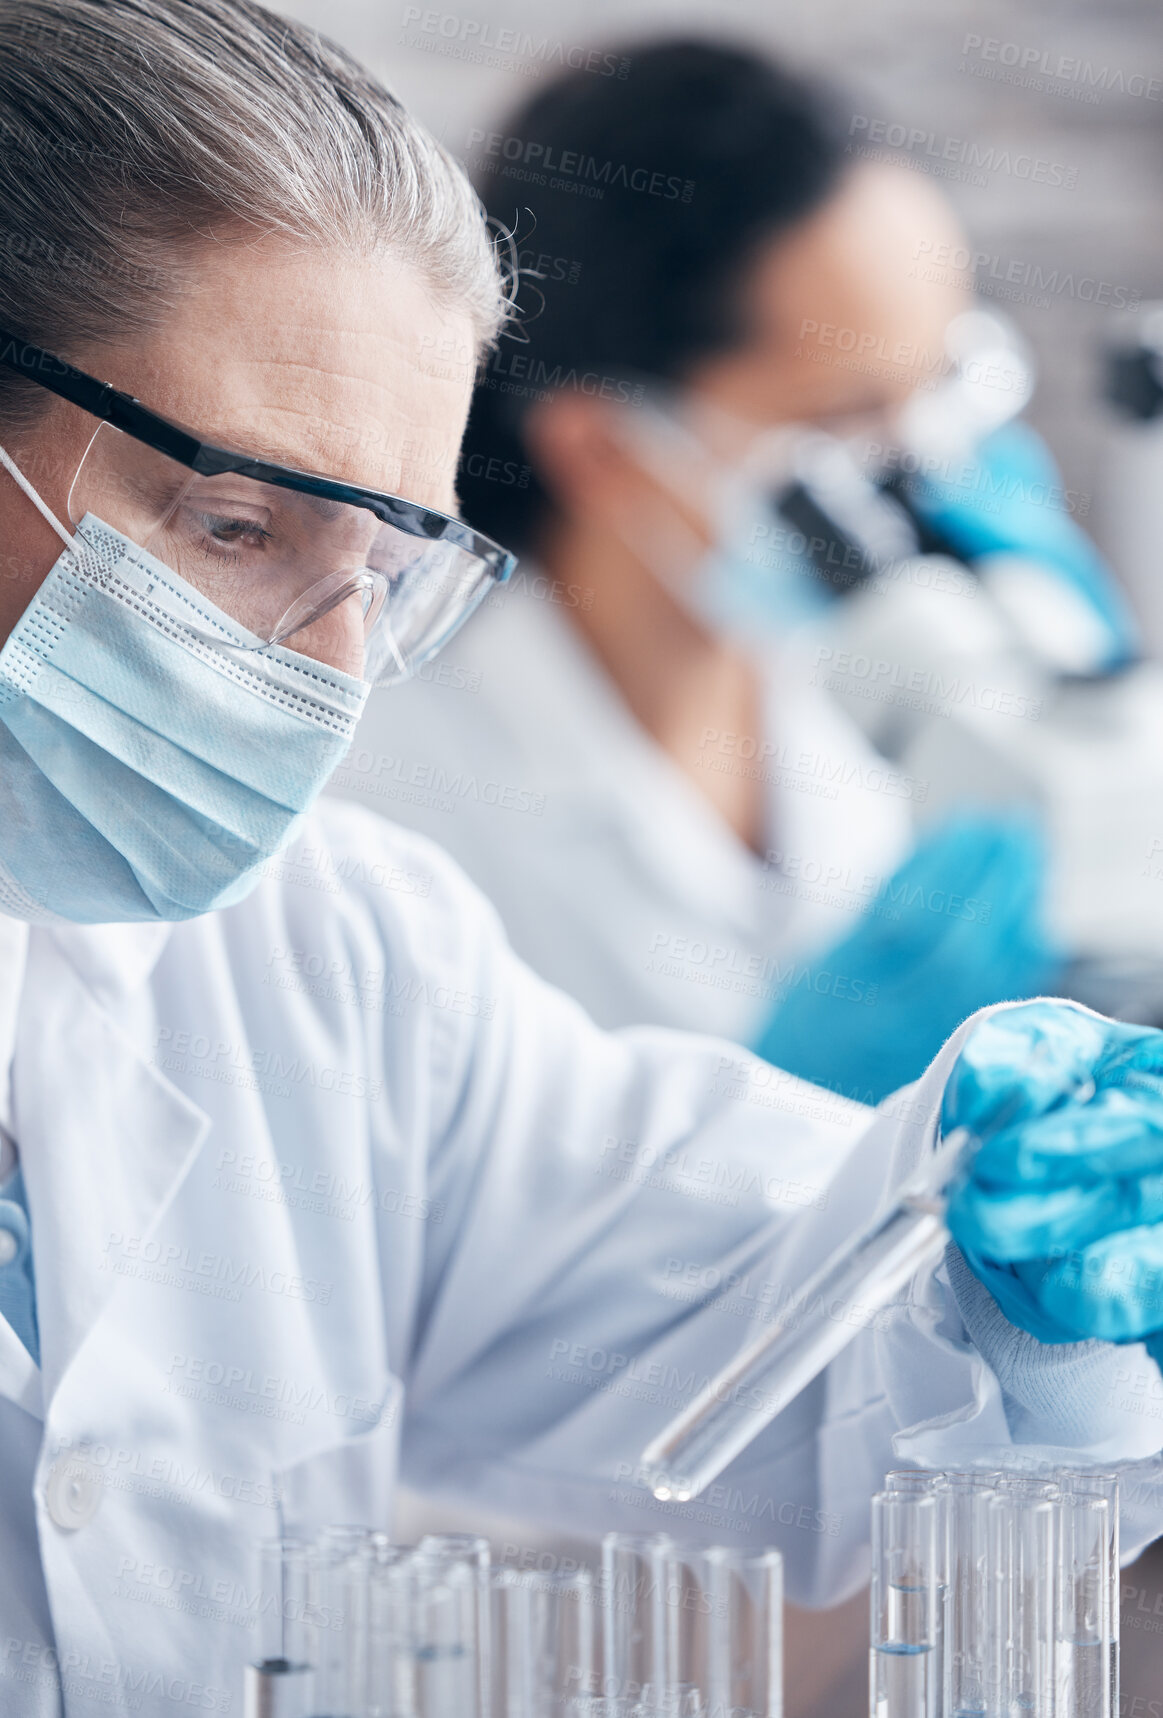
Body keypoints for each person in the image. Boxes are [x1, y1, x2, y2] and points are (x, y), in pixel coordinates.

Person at [1, 5, 1162, 1711]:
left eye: (385, 568)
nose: (326, 684)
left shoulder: (334, 952)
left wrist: (987, 1242)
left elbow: (756, 1336)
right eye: (239, 528)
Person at [330, 42, 1126, 1100]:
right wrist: (776, 1100)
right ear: (603, 449)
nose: (926, 475)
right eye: (846, 420)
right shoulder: (383, 797)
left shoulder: (895, 679)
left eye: (945, 383)